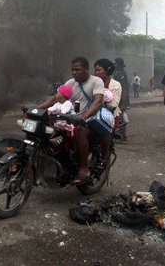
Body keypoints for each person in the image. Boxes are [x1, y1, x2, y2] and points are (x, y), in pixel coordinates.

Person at [37, 56, 105, 185]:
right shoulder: (70, 82)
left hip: (88, 119)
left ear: (86, 69)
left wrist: (83, 117)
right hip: (69, 118)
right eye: (72, 70)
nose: (74, 72)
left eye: (77, 69)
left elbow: (97, 102)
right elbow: (55, 99)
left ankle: (84, 169)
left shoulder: (96, 81)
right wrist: (36, 109)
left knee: (80, 131)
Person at [94, 58, 123, 146]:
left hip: (110, 116)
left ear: (107, 70)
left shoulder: (116, 85)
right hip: (93, 114)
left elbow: (113, 104)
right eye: (95, 70)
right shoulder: (93, 83)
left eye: (99, 70)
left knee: (105, 135)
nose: (96, 73)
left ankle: (104, 157)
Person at [113, 58, 130, 142]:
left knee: (121, 118)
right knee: (116, 117)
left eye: (115, 63)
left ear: (119, 64)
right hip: (116, 98)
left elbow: (124, 89)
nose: (114, 65)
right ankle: (119, 135)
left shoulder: (122, 73)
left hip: (121, 100)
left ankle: (123, 137)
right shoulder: (116, 72)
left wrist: (123, 102)